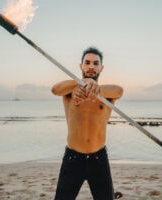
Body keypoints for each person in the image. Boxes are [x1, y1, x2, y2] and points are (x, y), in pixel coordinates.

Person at [51, 46, 123, 200]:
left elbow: (119, 91)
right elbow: (55, 90)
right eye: (87, 62)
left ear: (101, 68)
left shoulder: (107, 93)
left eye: (96, 63)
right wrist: (81, 83)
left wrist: (94, 86)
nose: (91, 66)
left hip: (98, 158)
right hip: (73, 158)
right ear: (81, 66)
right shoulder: (70, 90)